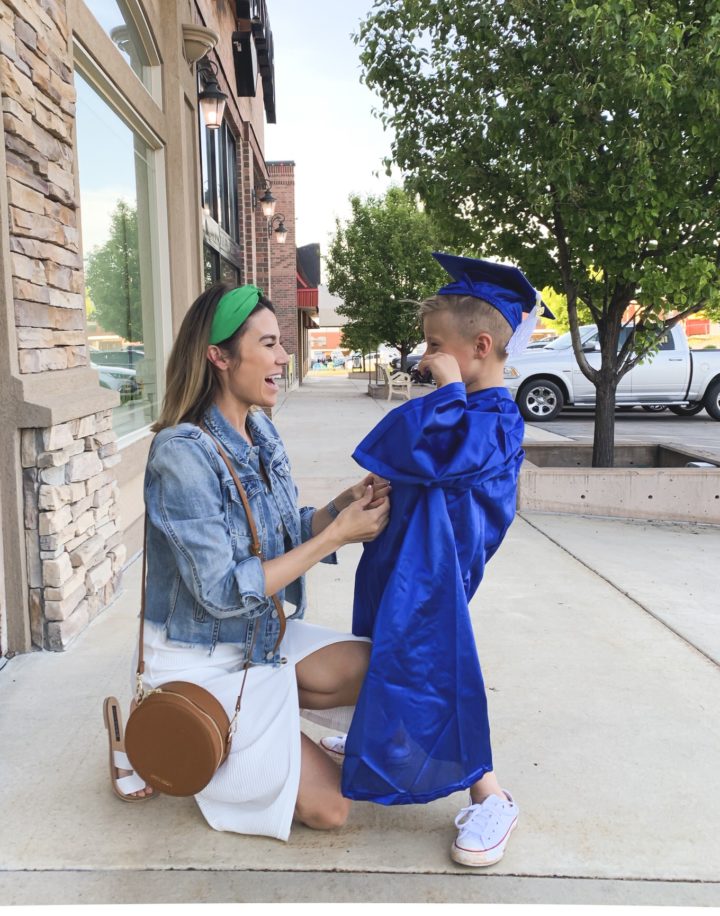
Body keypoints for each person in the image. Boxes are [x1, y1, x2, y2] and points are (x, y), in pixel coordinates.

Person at [102, 283, 390, 840]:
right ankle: (137, 732)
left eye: (282, 344)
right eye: (269, 344)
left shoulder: (259, 430)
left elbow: (284, 531)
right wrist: (335, 540)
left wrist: (343, 508)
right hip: (201, 659)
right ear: (219, 357)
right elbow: (219, 592)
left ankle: (271, 720)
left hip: (259, 637)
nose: (284, 357)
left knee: (387, 665)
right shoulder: (181, 454)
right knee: (332, 810)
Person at [318, 252, 554, 867]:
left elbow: (445, 455)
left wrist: (449, 387)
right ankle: (380, 731)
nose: (424, 357)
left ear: (480, 346)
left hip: (437, 570)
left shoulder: (497, 418)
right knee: (382, 647)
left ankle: (490, 794)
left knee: (435, 665)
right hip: (404, 556)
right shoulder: (461, 405)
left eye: (434, 346)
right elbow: (404, 450)